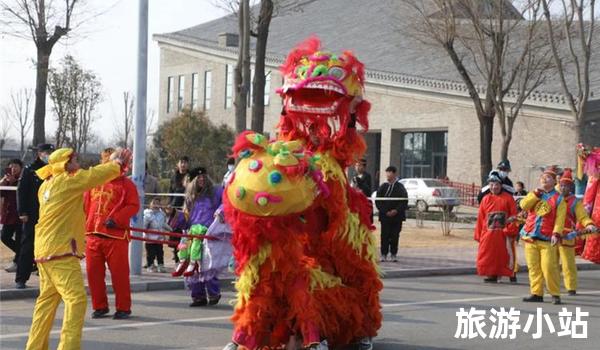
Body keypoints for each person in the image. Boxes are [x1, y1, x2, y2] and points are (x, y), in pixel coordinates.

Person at [25, 147, 130, 350]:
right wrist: (116, 164)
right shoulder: (67, 182)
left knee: (46, 303)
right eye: (73, 160)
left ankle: (35, 347)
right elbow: (93, 176)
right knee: (76, 299)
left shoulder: (46, 185)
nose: (78, 163)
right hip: (60, 251)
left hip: (45, 250)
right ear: (64, 164)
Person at [84, 148, 140, 320]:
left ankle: (123, 307)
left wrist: (116, 219)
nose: (117, 164)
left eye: (120, 162)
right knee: (93, 274)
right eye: (114, 161)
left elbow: (133, 206)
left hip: (116, 237)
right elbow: (85, 206)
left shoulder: (127, 184)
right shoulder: (94, 182)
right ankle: (100, 306)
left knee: (119, 275)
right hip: (93, 235)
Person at [519, 166, 567, 305]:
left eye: (549, 178)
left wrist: (556, 233)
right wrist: (534, 195)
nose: (545, 180)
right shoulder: (534, 193)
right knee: (533, 267)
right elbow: (524, 205)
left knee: (549, 267)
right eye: (543, 178)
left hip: (547, 238)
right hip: (530, 236)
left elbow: (560, 218)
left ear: (554, 182)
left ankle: (555, 293)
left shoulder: (559, 199)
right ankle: (536, 293)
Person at [182, 167, 224, 306]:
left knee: (208, 265)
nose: (201, 179)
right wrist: (176, 218)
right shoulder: (190, 197)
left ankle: (213, 293)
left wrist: (220, 211)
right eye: (198, 178)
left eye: (203, 177)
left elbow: (227, 202)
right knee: (192, 265)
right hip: (193, 234)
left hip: (209, 234)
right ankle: (198, 296)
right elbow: (186, 217)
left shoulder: (216, 192)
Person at [16, 143, 55, 289]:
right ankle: (21, 278)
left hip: (49, 215)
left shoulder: (54, 169)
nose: (49, 155)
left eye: (51, 152)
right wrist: (22, 212)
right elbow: (21, 191)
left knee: (49, 247)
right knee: (28, 246)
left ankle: (46, 277)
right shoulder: (30, 169)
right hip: (32, 214)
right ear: (40, 153)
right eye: (46, 152)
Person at [556, 168, 596, 296]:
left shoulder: (575, 202)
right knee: (550, 263)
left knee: (568, 264)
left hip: (568, 236)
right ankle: (552, 286)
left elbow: (583, 217)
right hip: (550, 235)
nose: (563, 188)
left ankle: (571, 287)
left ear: (571, 187)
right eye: (561, 185)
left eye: (566, 186)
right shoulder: (553, 199)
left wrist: (589, 224)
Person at [474, 171, 519, 283]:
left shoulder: (508, 198)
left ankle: (511, 273)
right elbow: (481, 218)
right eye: (492, 185)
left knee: (506, 254)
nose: (494, 187)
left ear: (501, 185)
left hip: (504, 233)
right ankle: (491, 274)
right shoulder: (485, 199)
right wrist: (479, 234)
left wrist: (511, 230)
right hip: (488, 233)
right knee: (488, 254)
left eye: (496, 184)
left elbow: (514, 215)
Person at [375, 166, 408, 262]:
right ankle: (383, 254)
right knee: (384, 235)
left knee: (394, 235)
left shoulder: (400, 187)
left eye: (389, 173)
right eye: (387, 173)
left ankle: (393, 254)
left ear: (394, 174)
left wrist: (396, 211)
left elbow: (404, 201)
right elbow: (378, 201)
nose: (388, 175)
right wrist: (385, 211)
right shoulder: (383, 186)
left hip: (396, 217)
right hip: (385, 217)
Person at [1, 159, 23, 272]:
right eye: (11, 167)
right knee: (4, 236)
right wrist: (3, 182)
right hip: (9, 214)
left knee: (20, 239)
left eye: (16, 167)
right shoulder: (7, 179)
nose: (13, 169)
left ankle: (18, 262)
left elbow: (24, 191)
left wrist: (15, 181)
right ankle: (24, 257)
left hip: (21, 214)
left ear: (20, 167)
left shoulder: (23, 178)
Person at [143, 197, 172, 272]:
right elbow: (144, 226)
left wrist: (170, 229)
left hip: (159, 238)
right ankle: (150, 265)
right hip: (150, 238)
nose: (156, 205)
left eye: (158, 203)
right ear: (150, 204)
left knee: (160, 253)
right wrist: (145, 232)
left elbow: (163, 224)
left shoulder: (161, 214)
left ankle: (161, 265)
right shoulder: (147, 214)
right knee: (150, 253)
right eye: (154, 203)